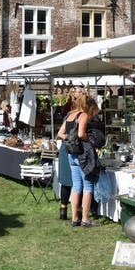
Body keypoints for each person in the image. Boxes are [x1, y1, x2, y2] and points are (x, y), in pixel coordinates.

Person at [56, 88, 102, 227]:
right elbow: (81, 134)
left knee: (76, 186)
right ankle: (85, 219)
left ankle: (75, 218)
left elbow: (60, 133)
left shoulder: (71, 115)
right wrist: (91, 139)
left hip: (71, 154)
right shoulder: (83, 115)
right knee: (88, 186)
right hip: (82, 154)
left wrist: (70, 139)